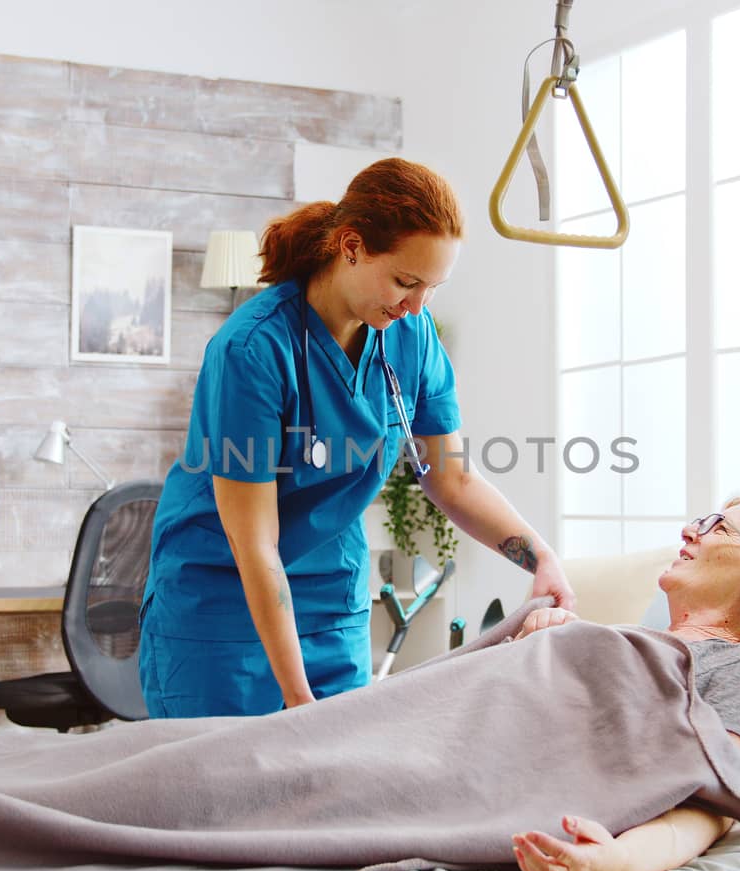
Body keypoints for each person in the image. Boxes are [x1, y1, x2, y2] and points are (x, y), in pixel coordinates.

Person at [140, 157, 577, 718]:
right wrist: (298, 700)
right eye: (405, 281)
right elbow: (256, 545)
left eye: (432, 289)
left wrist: (540, 557)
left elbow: (452, 478)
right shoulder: (253, 349)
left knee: (336, 788)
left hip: (331, 603)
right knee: (216, 792)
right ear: (351, 247)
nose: (416, 307)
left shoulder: (410, 336)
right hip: (224, 605)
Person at [507, 493, 740, 871]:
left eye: (717, 527)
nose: (688, 530)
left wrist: (619, 862)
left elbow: (717, 800)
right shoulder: (620, 637)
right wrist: (536, 643)